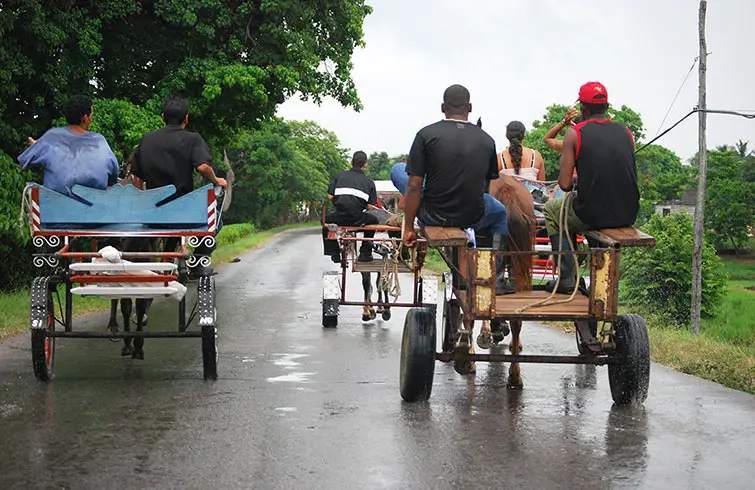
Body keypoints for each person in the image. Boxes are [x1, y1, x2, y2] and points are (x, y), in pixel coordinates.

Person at [391, 84, 513, 294]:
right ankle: (498, 277)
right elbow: (486, 186)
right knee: (500, 211)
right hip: (473, 215)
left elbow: (413, 186)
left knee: (398, 169)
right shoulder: (487, 141)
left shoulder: (426, 135)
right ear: (470, 107)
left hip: (434, 213)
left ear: (442, 107)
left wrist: (409, 227)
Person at [543, 81, 639, 293]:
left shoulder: (575, 133)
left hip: (593, 214)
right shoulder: (626, 132)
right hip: (628, 213)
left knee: (551, 210)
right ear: (606, 106)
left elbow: (565, 185)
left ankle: (567, 278)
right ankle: (601, 277)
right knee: (590, 208)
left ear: (584, 108)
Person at [131, 98, 227, 274]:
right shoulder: (192, 139)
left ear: (162, 117)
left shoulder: (147, 139)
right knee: (216, 221)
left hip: (153, 209)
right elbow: (202, 167)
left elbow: (136, 175)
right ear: (186, 119)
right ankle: (197, 262)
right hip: (182, 210)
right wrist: (216, 180)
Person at [18, 95, 119, 199]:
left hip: (55, 206)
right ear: (85, 118)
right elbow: (113, 176)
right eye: (91, 115)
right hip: (94, 207)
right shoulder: (100, 141)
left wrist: (36, 147)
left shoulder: (51, 137)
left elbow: (22, 164)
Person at [322, 151, 379, 263]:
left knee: (325, 221)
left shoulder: (340, 176)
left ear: (351, 162)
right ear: (365, 164)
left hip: (339, 217)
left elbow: (329, 196)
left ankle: (334, 252)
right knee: (374, 221)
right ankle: (365, 252)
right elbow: (370, 206)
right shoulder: (369, 182)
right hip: (358, 219)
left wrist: (340, 201)